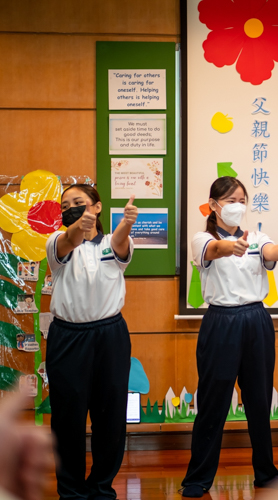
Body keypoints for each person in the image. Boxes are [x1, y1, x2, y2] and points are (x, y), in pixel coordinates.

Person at [181, 176, 278, 497]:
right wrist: (230, 246)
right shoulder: (201, 238)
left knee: (258, 401)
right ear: (213, 205)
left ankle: (266, 474)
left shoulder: (256, 237)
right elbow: (215, 249)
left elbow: (272, 249)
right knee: (213, 403)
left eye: (242, 200)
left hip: (256, 321)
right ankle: (197, 478)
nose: (238, 206)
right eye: (230, 201)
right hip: (221, 322)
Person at [45, 184, 137, 500]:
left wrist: (126, 222)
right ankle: (70, 491)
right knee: (67, 418)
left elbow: (121, 241)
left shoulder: (113, 243)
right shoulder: (56, 242)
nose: (71, 207)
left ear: (96, 207)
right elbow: (69, 239)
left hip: (110, 336)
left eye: (79, 202)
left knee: (110, 416)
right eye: (65, 205)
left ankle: (101, 487)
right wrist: (77, 228)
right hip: (68, 338)